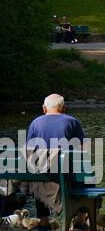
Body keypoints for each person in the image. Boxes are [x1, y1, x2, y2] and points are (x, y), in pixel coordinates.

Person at [23, 94, 87, 223]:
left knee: (39, 176)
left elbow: (28, 150)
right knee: (86, 175)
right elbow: (82, 151)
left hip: (43, 176)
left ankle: (44, 222)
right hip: (67, 175)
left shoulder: (35, 123)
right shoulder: (72, 121)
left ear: (44, 108)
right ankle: (80, 221)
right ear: (64, 108)